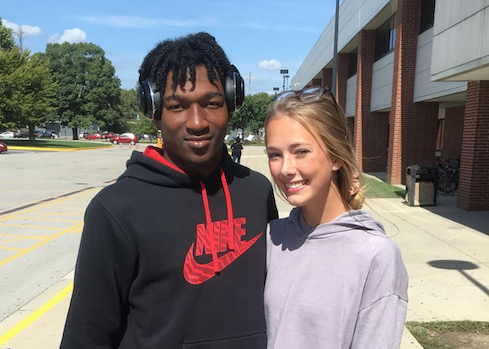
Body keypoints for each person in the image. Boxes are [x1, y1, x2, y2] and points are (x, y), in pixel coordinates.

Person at [60, 32, 278, 349]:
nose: (197, 122)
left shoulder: (256, 192)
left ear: (231, 104)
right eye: (177, 106)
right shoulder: (116, 209)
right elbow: (87, 337)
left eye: (212, 103)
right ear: (155, 112)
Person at [263, 86, 408, 349]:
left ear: (336, 157)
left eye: (301, 151)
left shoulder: (376, 254)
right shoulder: (273, 237)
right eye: (275, 154)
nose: (285, 169)